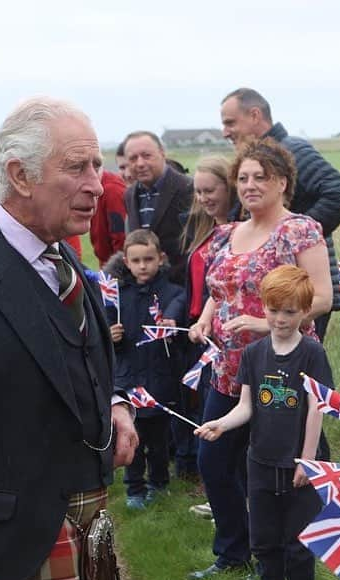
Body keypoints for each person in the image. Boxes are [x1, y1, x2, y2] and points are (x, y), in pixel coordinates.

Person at [0, 96, 137, 580]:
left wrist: (112, 404)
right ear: (20, 176)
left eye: (97, 165)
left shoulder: (63, 260)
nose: (98, 185)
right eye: (78, 167)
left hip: (81, 546)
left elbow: (63, 359)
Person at [187, 138, 331, 580]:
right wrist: (205, 319)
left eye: (260, 178)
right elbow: (219, 288)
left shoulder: (299, 230)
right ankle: (235, 551)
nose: (249, 185)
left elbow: (323, 298)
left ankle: (293, 560)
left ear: (282, 182)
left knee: (290, 469)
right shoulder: (228, 233)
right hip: (230, 368)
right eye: (243, 178)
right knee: (212, 460)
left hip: (283, 368)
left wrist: (262, 324)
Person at [195, 265, 330, 580]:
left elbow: (317, 408)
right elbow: (246, 407)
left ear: (304, 312)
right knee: (265, 536)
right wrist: (220, 425)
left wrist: (308, 458)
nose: (280, 318)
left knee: (297, 540)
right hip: (260, 460)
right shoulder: (254, 354)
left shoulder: (312, 354)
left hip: (300, 463)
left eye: (289, 311)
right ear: (264, 308)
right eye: (273, 310)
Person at [220, 87, 340, 342]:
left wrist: (290, 239)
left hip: (301, 290)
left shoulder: (293, 150)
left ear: (254, 115)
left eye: (230, 122)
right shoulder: (257, 158)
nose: (225, 132)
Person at [110, 229, 185, 509]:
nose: (143, 266)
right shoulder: (117, 296)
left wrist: (171, 324)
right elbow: (100, 339)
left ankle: (159, 482)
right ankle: (134, 488)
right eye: (137, 260)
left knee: (159, 439)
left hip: (159, 379)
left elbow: (179, 309)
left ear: (161, 259)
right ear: (126, 262)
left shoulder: (171, 292)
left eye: (149, 259)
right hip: (129, 379)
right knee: (131, 437)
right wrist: (111, 336)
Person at [175, 155, 236, 480]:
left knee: (224, 415)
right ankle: (217, 490)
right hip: (198, 331)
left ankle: (225, 489)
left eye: (210, 190)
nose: (203, 199)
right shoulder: (201, 228)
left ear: (230, 187)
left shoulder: (241, 229)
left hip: (227, 336)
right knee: (202, 409)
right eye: (198, 192)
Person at [123, 130, 194, 284]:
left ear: (162, 153)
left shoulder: (187, 188)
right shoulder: (129, 195)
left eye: (146, 156)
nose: (140, 163)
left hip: (181, 287)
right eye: (133, 158)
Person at [90, 169, 128, 266]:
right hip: (106, 261)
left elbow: (120, 234)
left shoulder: (112, 190)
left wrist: (115, 266)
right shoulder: (99, 186)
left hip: (115, 264)